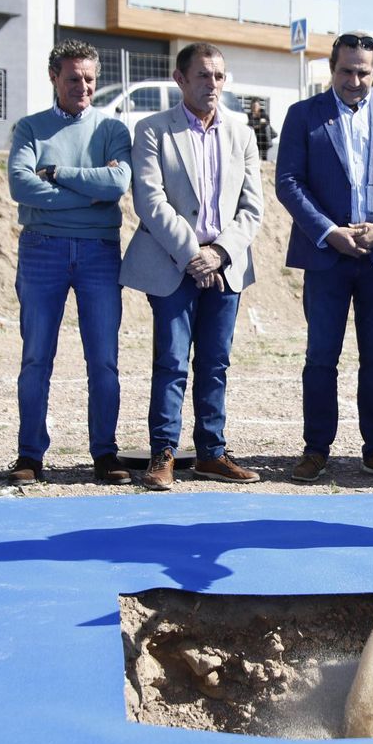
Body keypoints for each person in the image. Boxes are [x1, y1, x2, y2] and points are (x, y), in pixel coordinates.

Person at [275, 31, 373, 483]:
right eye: (346, 70)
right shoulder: (303, 116)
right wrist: (329, 232)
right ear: (331, 68)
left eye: (363, 71)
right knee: (321, 355)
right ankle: (315, 450)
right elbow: (289, 182)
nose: (355, 79)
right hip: (326, 257)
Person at [122, 43, 264, 489]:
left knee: (216, 363)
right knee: (171, 361)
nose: (213, 84)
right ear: (180, 79)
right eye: (203, 75)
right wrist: (192, 256)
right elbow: (149, 200)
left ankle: (211, 454)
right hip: (172, 263)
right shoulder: (152, 130)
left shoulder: (242, 135)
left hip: (226, 265)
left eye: (219, 76)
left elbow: (252, 208)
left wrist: (219, 254)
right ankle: (163, 452)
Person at [5, 40, 134, 486]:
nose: (83, 86)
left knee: (104, 360)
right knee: (36, 357)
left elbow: (117, 184)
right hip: (43, 250)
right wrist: (87, 197)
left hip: (99, 252)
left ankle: (105, 452)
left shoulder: (113, 130)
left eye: (90, 79)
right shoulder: (29, 129)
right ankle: (30, 454)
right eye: (73, 78)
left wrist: (58, 173)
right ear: (54, 79)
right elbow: (21, 188)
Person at [247, 99, 273, 164]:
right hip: (253, 138)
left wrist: (255, 126)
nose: (254, 108)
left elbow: (265, 124)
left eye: (256, 106)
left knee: (264, 157)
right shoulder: (249, 115)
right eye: (253, 106)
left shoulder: (263, 114)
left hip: (263, 139)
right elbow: (249, 125)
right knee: (255, 157)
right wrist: (258, 125)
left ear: (259, 106)